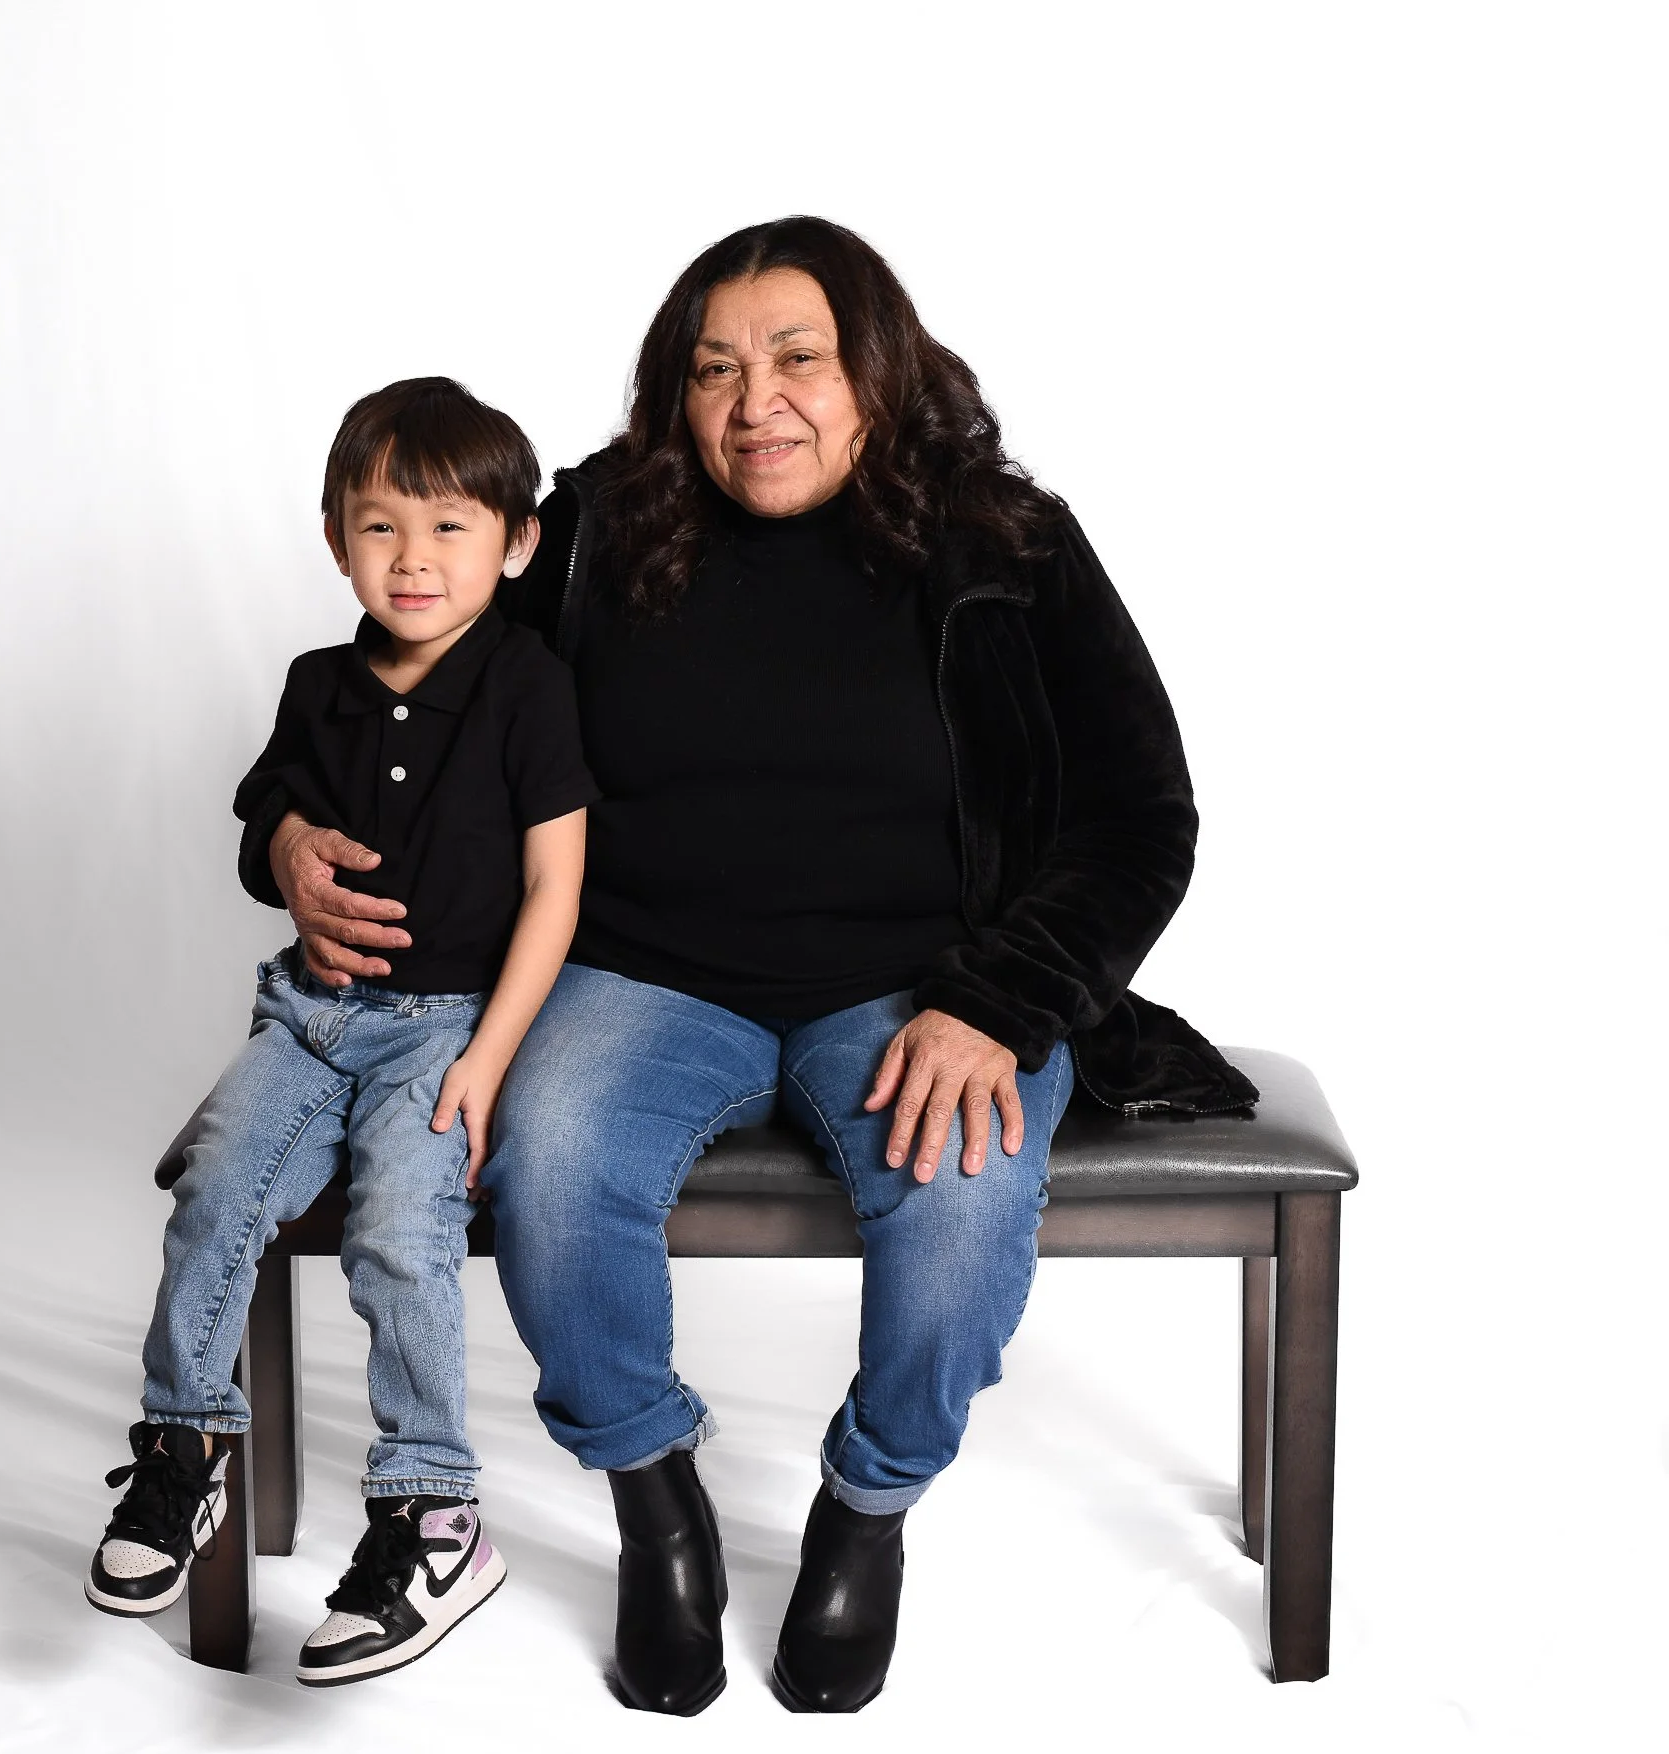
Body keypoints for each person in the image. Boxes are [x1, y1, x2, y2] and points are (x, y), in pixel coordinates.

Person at [262, 219, 1259, 1715]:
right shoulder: (597, 529)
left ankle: (867, 1513)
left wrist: (999, 1001)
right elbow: (420, 688)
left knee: (965, 1193)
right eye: (716, 368)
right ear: (678, 390)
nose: (756, 401)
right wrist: (280, 828)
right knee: (549, 1165)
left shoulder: (1008, 542)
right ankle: (656, 1501)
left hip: (929, 983)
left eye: (798, 359)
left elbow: (1142, 813)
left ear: (878, 369)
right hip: (648, 971)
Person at [86, 377, 598, 1688]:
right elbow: (267, 831)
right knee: (214, 1191)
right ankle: (187, 1446)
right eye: (381, 528)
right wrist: (289, 841)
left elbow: (557, 889)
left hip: (445, 1030)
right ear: (335, 541)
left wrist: (489, 1059)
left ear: (516, 543)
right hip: (309, 1018)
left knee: (396, 1230)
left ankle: (434, 1506)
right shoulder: (319, 684)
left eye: (448, 528)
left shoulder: (529, 686)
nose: (413, 560)